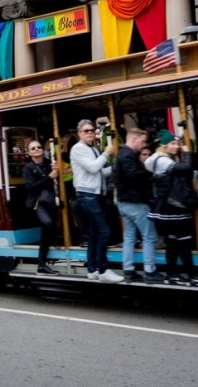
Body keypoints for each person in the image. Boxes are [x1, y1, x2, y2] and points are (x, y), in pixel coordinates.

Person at [145, 130, 198, 287]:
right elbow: (186, 168)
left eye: (177, 143)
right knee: (184, 241)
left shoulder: (160, 159)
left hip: (169, 205)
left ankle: (172, 274)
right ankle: (192, 275)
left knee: (174, 242)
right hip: (173, 206)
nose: (176, 146)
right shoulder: (163, 160)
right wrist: (188, 152)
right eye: (173, 143)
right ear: (164, 145)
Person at [70, 119, 123, 283]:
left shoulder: (91, 148)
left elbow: (100, 172)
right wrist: (106, 153)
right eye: (86, 130)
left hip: (93, 194)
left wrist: (116, 166)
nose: (90, 132)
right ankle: (103, 269)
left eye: (92, 130)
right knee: (104, 231)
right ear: (79, 133)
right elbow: (93, 168)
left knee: (93, 233)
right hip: (88, 195)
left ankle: (92, 269)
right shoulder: (78, 148)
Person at [114, 128, 164, 283]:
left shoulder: (122, 154)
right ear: (134, 139)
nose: (144, 145)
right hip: (135, 202)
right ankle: (150, 271)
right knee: (149, 237)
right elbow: (132, 175)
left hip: (124, 202)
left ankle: (128, 271)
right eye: (142, 141)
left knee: (129, 237)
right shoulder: (128, 155)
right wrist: (150, 173)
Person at [23, 140, 60, 276]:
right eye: (33, 148)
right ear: (29, 152)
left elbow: (57, 180)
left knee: (45, 233)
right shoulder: (28, 168)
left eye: (39, 147)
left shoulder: (49, 163)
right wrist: (49, 177)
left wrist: (56, 170)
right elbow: (30, 187)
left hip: (50, 201)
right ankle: (56, 239)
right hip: (38, 203)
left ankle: (41, 265)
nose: (37, 149)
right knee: (48, 224)